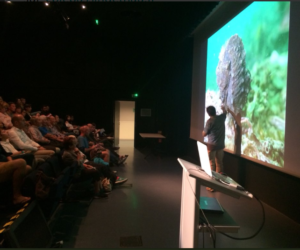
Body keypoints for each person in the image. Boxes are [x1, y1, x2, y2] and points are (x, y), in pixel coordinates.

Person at [202, 105, 227, 192]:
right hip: (220, 145)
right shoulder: (221, 118)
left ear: (208, 113)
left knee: (211, 165)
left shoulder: (209, 121)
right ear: (215, 111)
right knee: (219, 164)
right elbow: (225, 113)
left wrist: (203, 132)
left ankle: (212, 186)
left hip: (212, 146)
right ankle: (219, 184)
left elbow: (204, 134)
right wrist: (224, 108)